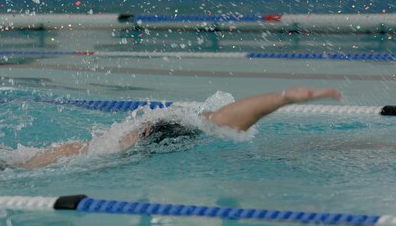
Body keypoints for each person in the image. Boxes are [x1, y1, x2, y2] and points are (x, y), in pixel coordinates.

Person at [20, 87, 342, 168]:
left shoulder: (196, 126)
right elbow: (235, 117)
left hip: (149, 136)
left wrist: (284, 98)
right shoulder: (201, 127)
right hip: (151, 138)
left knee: (80, 152)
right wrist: (284, 98)